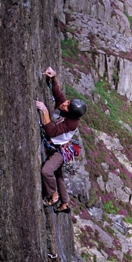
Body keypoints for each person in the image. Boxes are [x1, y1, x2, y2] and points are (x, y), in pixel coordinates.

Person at [36, 67, 87, 213]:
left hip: (60, 149)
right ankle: (65, 203)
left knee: (47, 171)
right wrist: (53, 78)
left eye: (67, 106)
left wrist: (45, 111)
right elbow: (57, 93)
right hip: (58, 146)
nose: (64, 104)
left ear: (71, 113)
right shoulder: (65, 106)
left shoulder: (72, 122)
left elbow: (51, 131)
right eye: (67, 102)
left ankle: (53, 195)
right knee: (58, 175)